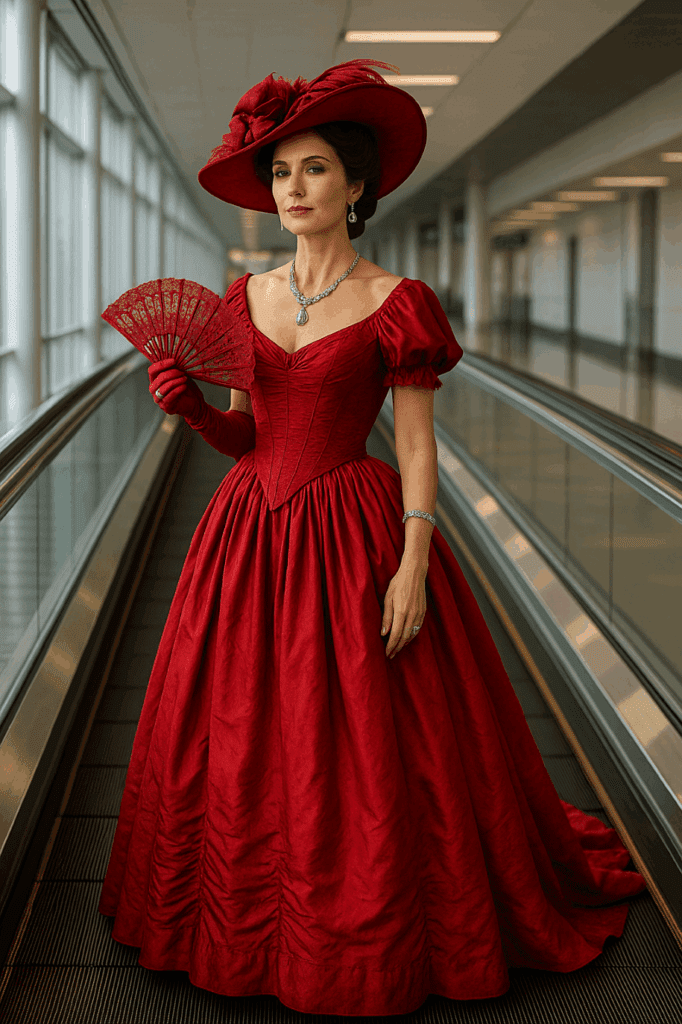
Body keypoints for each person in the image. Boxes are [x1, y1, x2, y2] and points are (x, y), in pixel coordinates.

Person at [98, 58, 646, 1017]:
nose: (292, 190)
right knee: (236, 725)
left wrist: (415, 561)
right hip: (248, 534)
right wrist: (189, 408)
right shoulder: (245, 299)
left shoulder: (397, 301)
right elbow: (243, 439)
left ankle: (364, 929)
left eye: (313, 170)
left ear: (357, 186)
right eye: (279, 174)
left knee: (369, 740)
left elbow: (420, 449)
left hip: (352, 528)